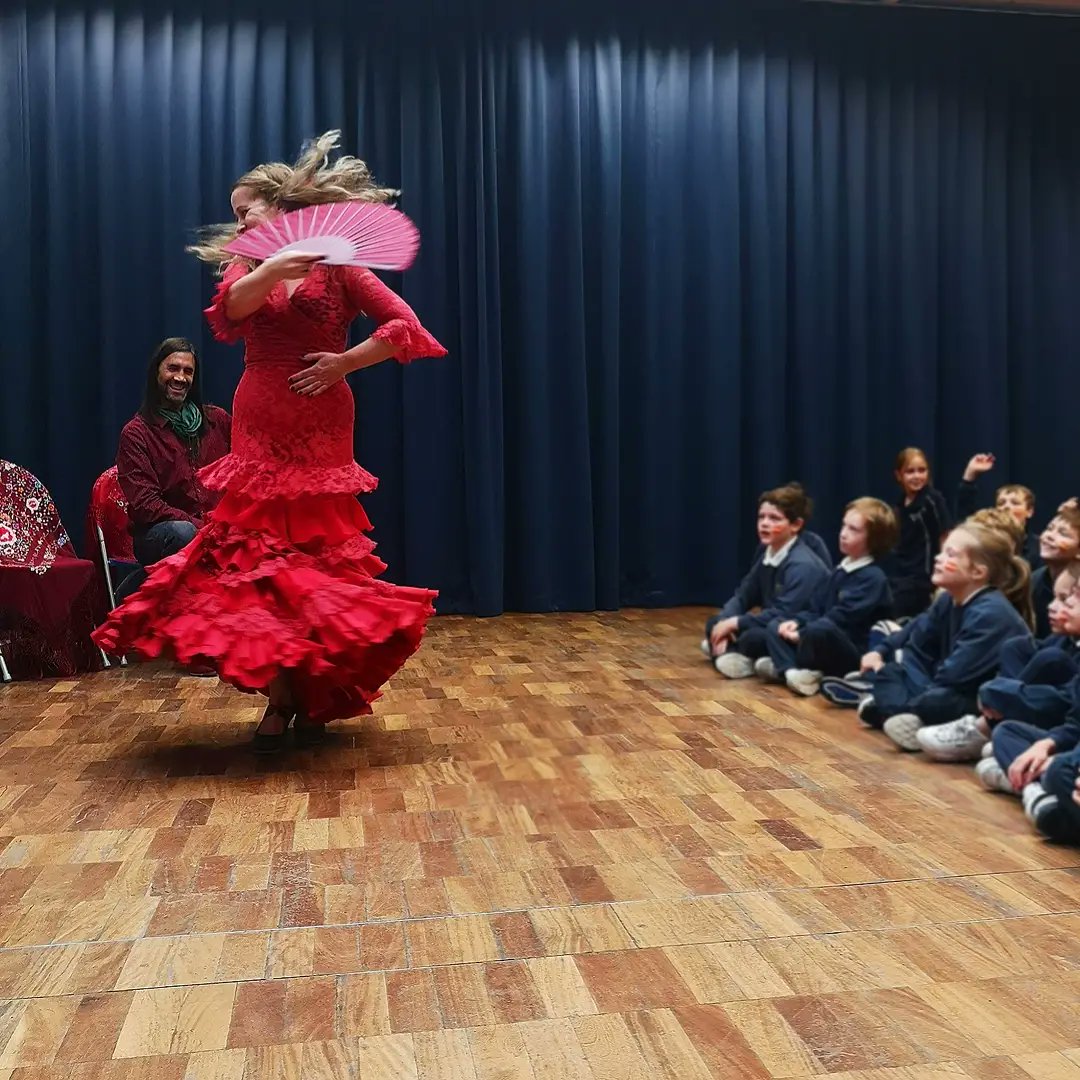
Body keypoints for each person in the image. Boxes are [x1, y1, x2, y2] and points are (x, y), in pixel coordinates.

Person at [93, 131, 447, 752]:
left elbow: (405, 327)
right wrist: (273, 266)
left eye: (244, 209)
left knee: (312, 561)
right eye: (234, 214)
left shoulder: (340, 267)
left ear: (279, 206)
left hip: (321, 418)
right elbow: (229, 313)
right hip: (258, 414)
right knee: (260, 560)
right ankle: (282, 696)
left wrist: (345, 362)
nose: (238, 220)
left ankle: (307, 690)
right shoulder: (246, 266)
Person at [113, 338, 231, 606]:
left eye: (188, 371)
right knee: (183, 533)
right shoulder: (137, 433)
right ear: (157, 372)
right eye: (172, 368)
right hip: (160, 534)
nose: (180, 377)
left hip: (216, 529)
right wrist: (203, 528)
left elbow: (242, 472)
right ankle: (141, 596)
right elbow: (145, 506)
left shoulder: (218, 421)